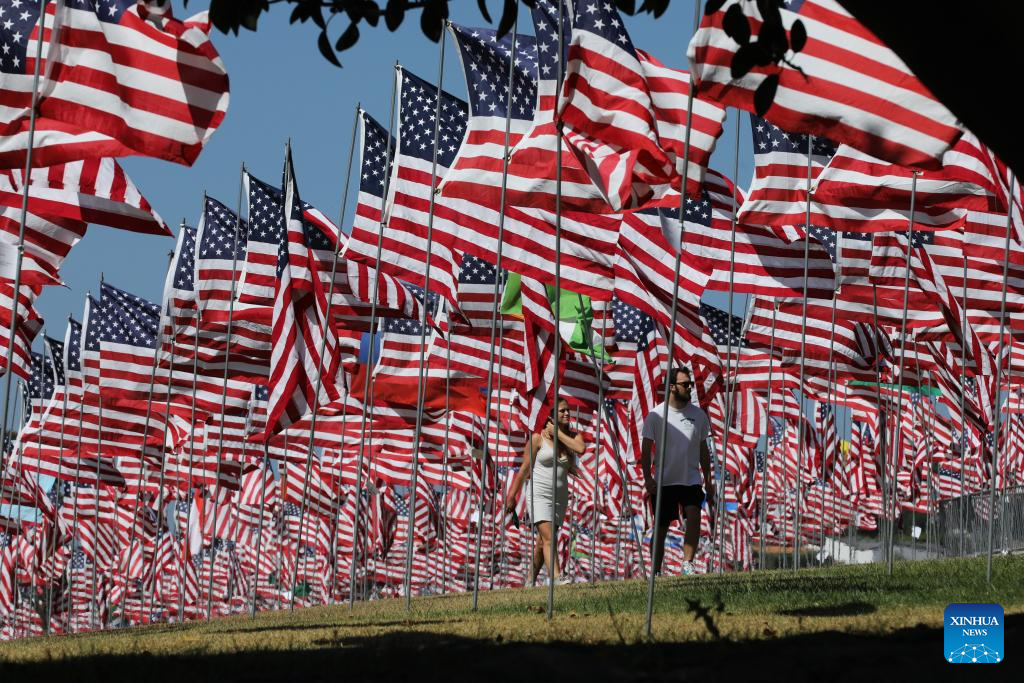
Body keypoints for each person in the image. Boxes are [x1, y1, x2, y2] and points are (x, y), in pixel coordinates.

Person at [640, 367, 714, 576]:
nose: (689, 387)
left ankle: (687, 563)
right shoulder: (656, 415)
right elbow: (646, 450)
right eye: (685, 384)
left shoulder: (698, 416)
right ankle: (655, 571)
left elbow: (703, 450)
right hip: (664, 481)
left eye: (690, 384)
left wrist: (708, 480)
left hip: (691, 479)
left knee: (694, 516)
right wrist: (647, 478)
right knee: (661, 528)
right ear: (672, 387)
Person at [505, 398, 584, 585]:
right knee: (549, 537)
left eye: (568, 411)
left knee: (542, 542)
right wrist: (512, 497)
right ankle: (557, 578)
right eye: (562, 411)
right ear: (550, 415)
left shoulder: (573, 437)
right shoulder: (537, 439)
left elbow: (581, 448)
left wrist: (557, 433)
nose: (567, 414)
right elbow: (524, 469)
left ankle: (530, 580)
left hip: (560, 497)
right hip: (539, 494)